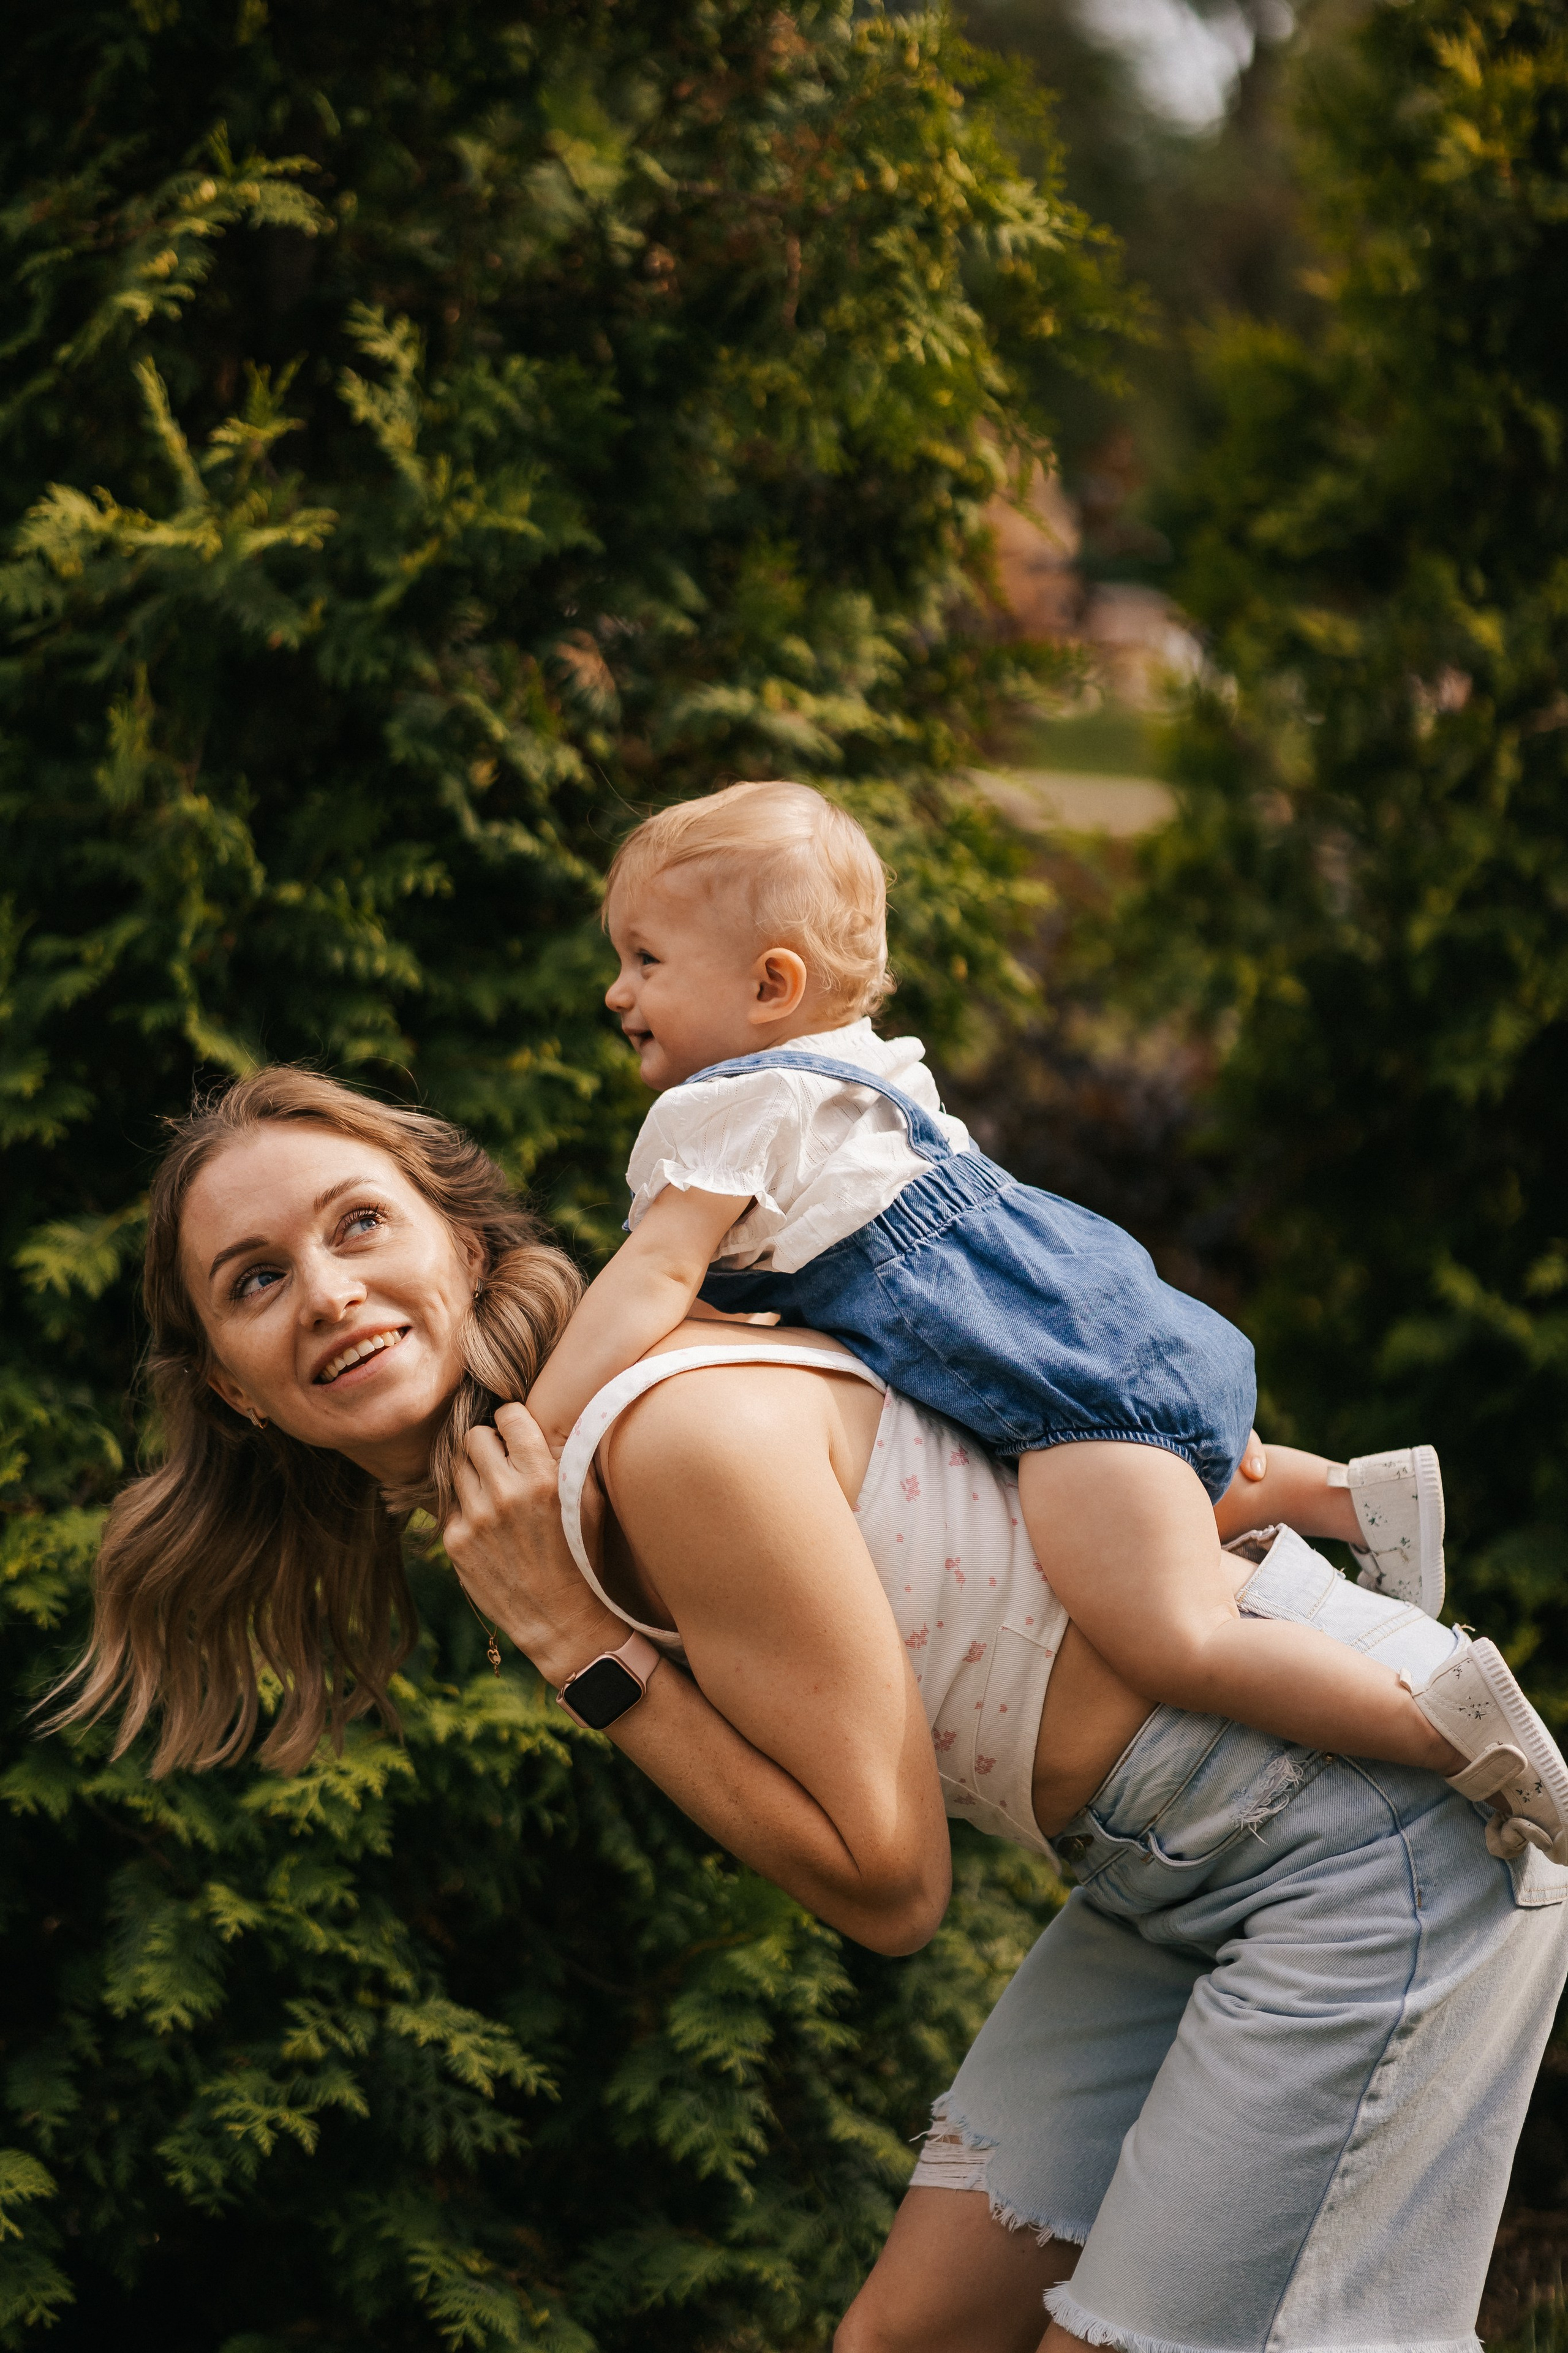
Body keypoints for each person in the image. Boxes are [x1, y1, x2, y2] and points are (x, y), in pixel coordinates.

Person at [55, 1069, 1568, 2353]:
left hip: (1365, 1827)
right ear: (234, 1387)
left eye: (358, 1224)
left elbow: (890, 1882)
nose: (327, 1293)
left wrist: (580, 1647)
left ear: (460, 1241)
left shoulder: (665, 1438)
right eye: (255, 1280)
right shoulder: (556, 1475)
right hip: (1166, 1856)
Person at [523, 780, 1568, 1855]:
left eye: (645, 959)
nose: (617, 990)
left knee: (1178, 1639)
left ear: (770, 983)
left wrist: (538, 1427)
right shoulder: (867, 1071)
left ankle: (1446, 1726)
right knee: (1168, 1507)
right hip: (1111, 1318)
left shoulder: (728, 1109)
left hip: (1066, 1403)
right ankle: (1353, 1497)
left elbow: (656, 1276)